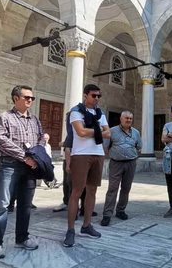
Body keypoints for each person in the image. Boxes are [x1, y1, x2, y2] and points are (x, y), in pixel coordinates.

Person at [0, 85, 44, 259]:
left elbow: (41, 138)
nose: (30, 100)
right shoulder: (4, 118)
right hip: (9, 165)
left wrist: (36, 156)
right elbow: (2, 141)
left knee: (26, 205)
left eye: (32, 98)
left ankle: (22, 238)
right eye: (27, 97)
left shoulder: (35, 120)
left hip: (29, 168)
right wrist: (24, 156)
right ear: (15, 98)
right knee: (2, 205)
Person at [63, 84, 110, 247]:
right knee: (76, 191)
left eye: (98, 96)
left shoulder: (100, 113)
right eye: (93, 96)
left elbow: (108, 133)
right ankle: (70, 230)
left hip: (98, 154)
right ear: (85, 96)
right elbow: (80, 133)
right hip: (81, 155)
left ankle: (86, 226)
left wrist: (90, 129)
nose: (96, 99)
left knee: (93, 191)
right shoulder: (76, 111)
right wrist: (97, 131)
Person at [100, 111, 142, 226]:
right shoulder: (112, 131)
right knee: (112, 188)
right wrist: (115, 155)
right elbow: (105, 147)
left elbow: (139, 146)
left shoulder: (136, 132)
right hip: (116, 164)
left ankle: (121, 210)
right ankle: (107, 214)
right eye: (126, 118)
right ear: (121, 119)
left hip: (131, 163)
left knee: (126, 188)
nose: (128, 120)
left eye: (130, 118)